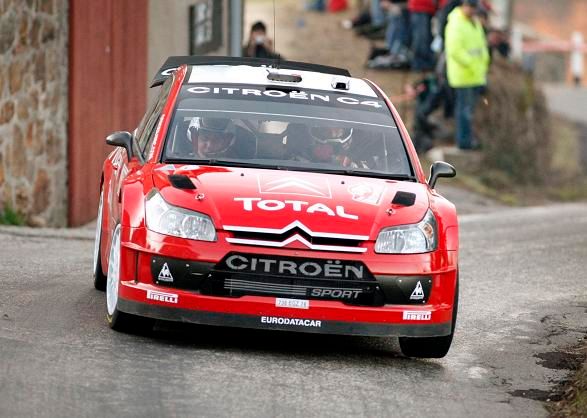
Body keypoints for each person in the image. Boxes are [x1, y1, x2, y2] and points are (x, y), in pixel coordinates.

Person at [444, 0, 489, 150]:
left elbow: (481, 46)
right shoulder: (456, 24)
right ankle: (464, 142)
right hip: (463, 75)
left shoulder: (474, 23)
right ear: (463, 6)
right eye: (470, 7)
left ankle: (467, 140)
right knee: (464, 111)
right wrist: (473, 63)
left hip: (475, 75)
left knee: (469, 111)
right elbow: (455, 50)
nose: (472, 11)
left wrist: (483, 63)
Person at [187, 117, 255, 158]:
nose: (210, 145)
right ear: (195, 139)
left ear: (227, 142)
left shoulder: (240, 165)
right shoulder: (179, 160)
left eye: (216, 140)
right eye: (204, 138)